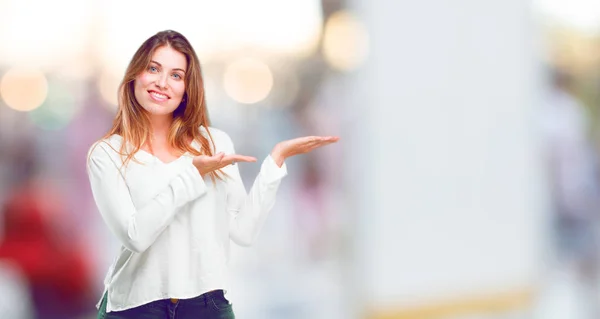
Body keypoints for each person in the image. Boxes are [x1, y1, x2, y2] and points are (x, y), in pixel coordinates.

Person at [86, 30, 339, 319]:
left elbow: (243, 231)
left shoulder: (214, 143)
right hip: (135, 307)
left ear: (188, 87)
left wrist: (275, 162)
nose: (161, 82)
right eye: (153, 69)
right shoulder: (107, 153)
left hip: (205, 305)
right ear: (135, 76)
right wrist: (193, 176)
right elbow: (136, 236)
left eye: (176, 75)